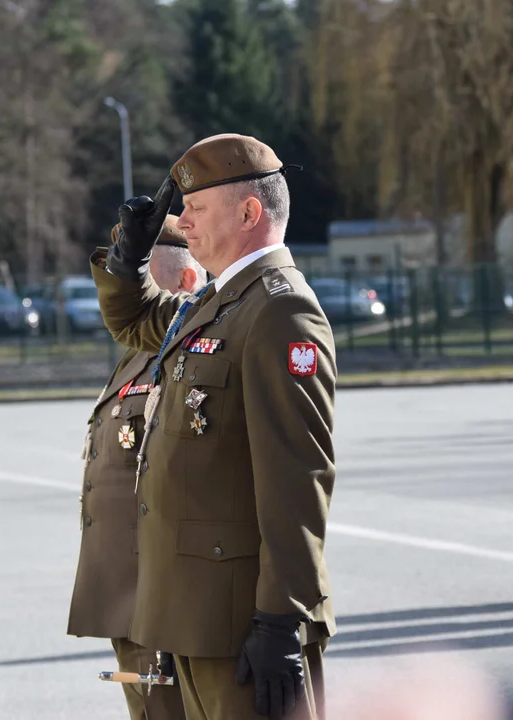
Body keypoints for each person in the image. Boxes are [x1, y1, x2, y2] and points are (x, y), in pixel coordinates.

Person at [90, 133, 336, 720]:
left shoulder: (279, 309)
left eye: (197, 208)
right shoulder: (217, 303)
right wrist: (129, 256)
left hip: (242, 619)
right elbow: (134, 321)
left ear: (249, 212)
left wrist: (281, 619)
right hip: (193, 612)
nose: (183, 220)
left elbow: (297, 478)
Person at [67, 216, 206, 720]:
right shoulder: (139, 354)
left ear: (187, 282)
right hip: (126, 597)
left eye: (145, 280)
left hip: (162, 603)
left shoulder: (189, 353)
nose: (130, 296)